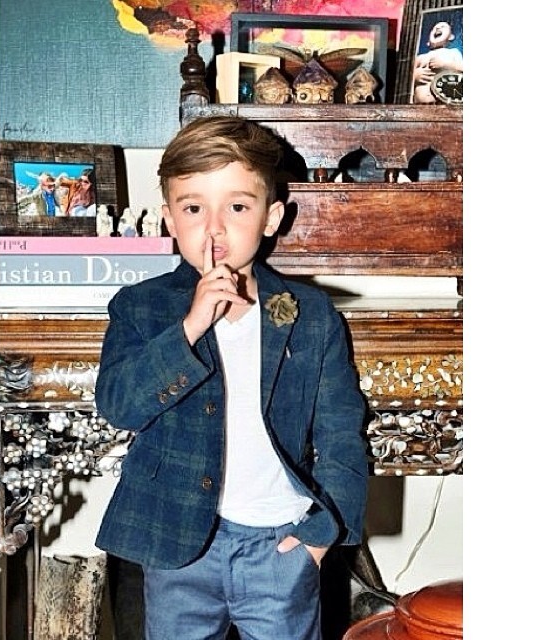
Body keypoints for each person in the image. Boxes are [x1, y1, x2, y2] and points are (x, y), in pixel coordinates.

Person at [94, 115, 368, 640]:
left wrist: (320, 535)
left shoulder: (311, 314)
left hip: (280, 543)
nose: (214, 228)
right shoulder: (141, 307)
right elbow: (120, 406)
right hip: (177, 545)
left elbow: (340, 433)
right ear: (170, 220)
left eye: (237, 207)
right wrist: (191, 326)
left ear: (271, 217)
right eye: (193, 208)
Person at [412, 20, 463, 104]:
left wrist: (445, 65)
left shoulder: (453, 53)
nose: (438, 28)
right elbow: (407, 77)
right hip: (420, 104)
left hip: (444, 103)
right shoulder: (420, 57)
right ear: (428, 42)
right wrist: (415, 76)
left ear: (451, 37)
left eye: (443, 27)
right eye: (434, 28)